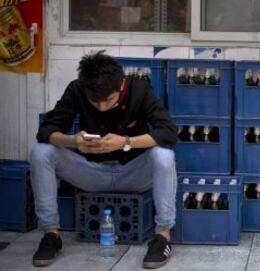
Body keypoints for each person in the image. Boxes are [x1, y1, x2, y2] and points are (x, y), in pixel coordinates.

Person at [30, 50, 177, 269]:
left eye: (108, 100)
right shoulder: (78, 89)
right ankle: (51, 234)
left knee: (164, 154)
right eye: (95, 102)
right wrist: (73, 141)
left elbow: (168, 132)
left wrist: (126, 142)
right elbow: (46, 130)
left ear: (120, 86)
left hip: (134, 173)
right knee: (41, 152)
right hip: (92, 173)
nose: (102, 107)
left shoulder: (139, 89)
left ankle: (163, 236)